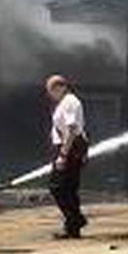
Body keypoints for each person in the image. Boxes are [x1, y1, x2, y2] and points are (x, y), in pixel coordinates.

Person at [45, 75, 89, 239]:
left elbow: (71, 130)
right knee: (68, 188)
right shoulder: (66, 102)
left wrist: (63, 154)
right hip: (67, 148)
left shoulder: (69, 102)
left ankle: (76, 219)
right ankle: (72, 226)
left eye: (51, 90)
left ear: (60, 87)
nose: (50, 94)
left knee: (57, 187)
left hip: (69, 149)